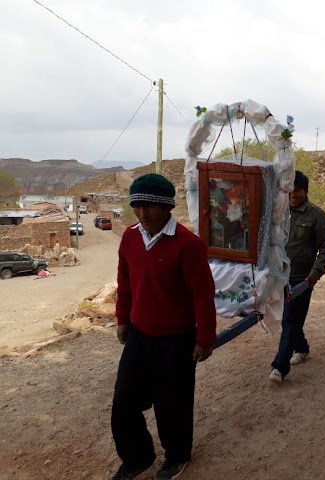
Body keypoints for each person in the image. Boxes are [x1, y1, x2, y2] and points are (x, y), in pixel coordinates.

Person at [110, 173, 217, 480]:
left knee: (173, 405)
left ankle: (177, 456)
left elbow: (202, 294)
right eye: (137, 206)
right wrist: (122, 319)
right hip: (140, 336)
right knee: (124, 402)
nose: (143, 214)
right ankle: (137, 457)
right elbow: (125, 281)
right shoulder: (130, 237)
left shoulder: (188, 244)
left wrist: (205, 338)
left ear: (168, 208)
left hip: (177, 340)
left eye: (150, 207)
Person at [269, 170, 325, 384]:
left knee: (290, 320)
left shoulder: (317, 215)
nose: (292, 196)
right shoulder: (278, 211)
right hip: (279, 276)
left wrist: (315, 274)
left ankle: (279, 367)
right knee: (289, 319)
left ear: (305, 191)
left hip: (301, 279)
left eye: (297, 191)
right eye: (289, 191)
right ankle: (302, 347)